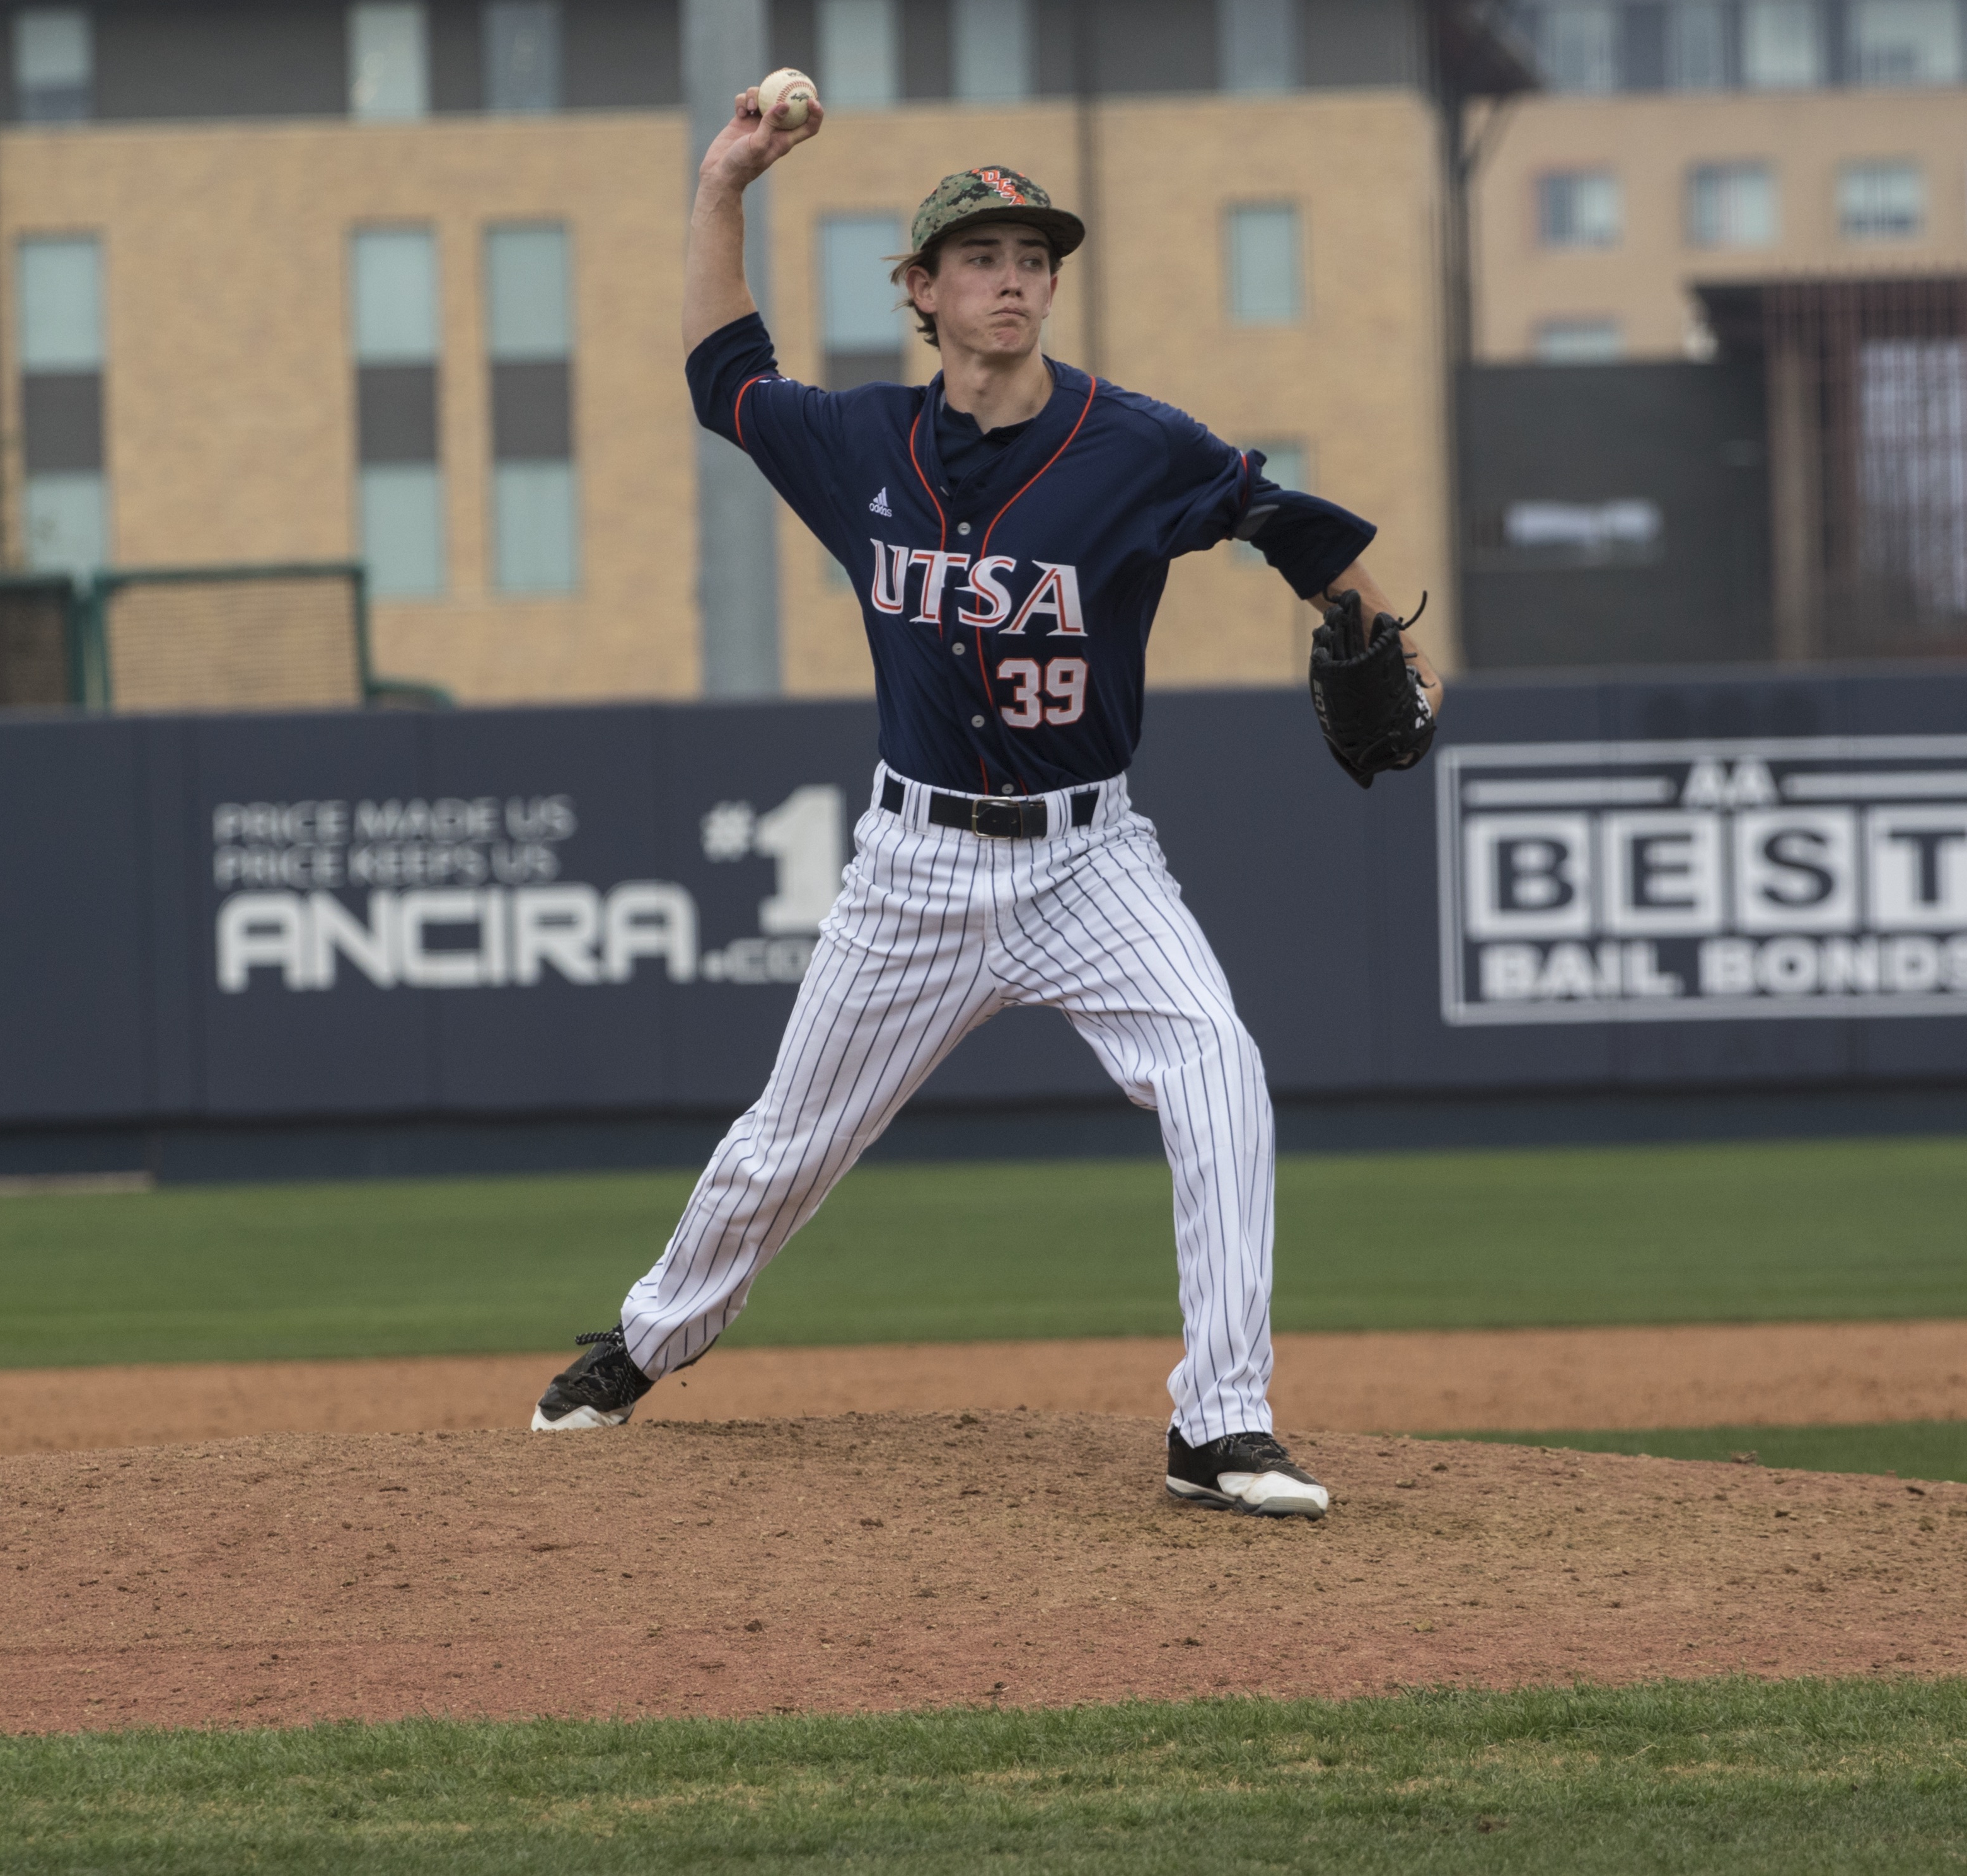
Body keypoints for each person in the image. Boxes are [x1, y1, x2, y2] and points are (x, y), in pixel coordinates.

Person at [531, 84, 1442, 1521]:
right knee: (785, 1145)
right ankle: (642, 1345)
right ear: (921, 289)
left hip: (1091, 858)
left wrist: (1395, 642)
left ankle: (1221, 1425)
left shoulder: (1131, 442)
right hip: (914, 863)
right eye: (978, 257)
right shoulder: (858, 445)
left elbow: (1289, 524)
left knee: (1219, 1075)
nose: (1010, 279)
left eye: (1031, 258)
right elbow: (723, 376)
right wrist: (722, 184)